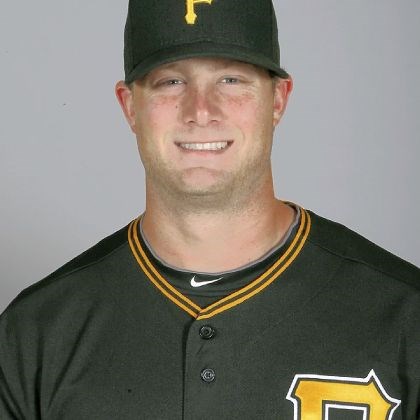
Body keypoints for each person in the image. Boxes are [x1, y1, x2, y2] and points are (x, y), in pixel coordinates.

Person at [1, 0, 419, 418]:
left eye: (231, 79)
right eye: (171, 82)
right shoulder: (34, 334)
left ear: (278, 99)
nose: (201, 111)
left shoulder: (406, 314)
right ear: (129, 106)